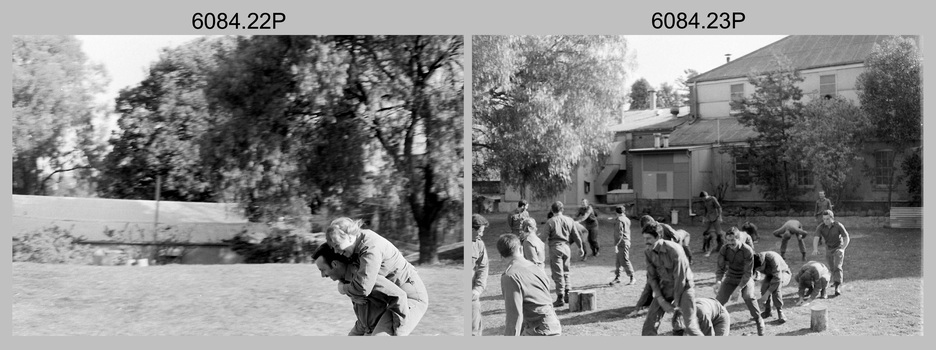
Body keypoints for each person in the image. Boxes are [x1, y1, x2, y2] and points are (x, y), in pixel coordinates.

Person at [325, 217, 429, 337]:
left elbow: (362, 288)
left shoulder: (370, 248)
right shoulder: (356, 245)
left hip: (409, 299)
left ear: (349, 236)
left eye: (337, 245)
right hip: (392, 299)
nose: (336, 251)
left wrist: (343, 288)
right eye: (333, 248)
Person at [313, 245, 413, 336]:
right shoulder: (344, 277)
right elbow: (342, 287)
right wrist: (348, 292)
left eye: (322, 270)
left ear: (335, 264)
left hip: (378, 328)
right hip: (362, 327)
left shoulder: (363, 277)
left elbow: (399, 295)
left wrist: (398, 332)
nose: (323, 275)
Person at [640, 223, 703, 336]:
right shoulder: (648, 252)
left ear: (658, 237)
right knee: (649, 324)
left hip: (684, 288)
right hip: (665, 287)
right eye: (644, 238)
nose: (646, 242)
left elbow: (680, 278)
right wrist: (661, 300)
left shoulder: (674, 250)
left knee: (690, 326)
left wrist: (677, 304)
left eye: (649, 238)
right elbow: (652, 278)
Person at [498, 234, 562, 336]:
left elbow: (514, 316)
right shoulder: (536, 268)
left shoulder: (510, 276)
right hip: (553, 325)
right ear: (521, 249)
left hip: (538, 331)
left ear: (501, 256)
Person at [715, 227, 764, 336]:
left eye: (733, 240)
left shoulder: (747, 250)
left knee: (748, 296)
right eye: (728, 240)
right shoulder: (724, 249)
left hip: (745, 278)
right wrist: (718, 281)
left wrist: (738, 289)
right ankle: (717, 324)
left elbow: (747, 273)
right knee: (718, 302)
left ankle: (758, 320)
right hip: (731, 277)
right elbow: (720, 267)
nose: (730, 243)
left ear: (738, 239)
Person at [545, 201, 586, 308]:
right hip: (566, 248)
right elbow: (576, 235)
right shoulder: (569, 220)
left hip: (555, 248)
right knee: (566, 271)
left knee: (558, 273)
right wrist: (580, 247)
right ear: (562, 209)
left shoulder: (550, 221)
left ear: (552, 210)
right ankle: (568, 293)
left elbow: (543, 237)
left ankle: (560, 297)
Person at [812, 210, 850, 296]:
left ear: (832, 218)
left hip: (838, 248)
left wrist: (843, 249)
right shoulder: (821, 227)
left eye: (828, 219)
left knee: (837, 267)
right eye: (824, 219)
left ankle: (837, 286)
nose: (825, 221)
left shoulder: (838, 225)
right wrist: (815, 249)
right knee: (832, 267)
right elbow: (816, 237)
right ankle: (835, 280)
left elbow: (846, 237)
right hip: (829, 249)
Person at [753, 251, 792, 323]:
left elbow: (777, 279)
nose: (759, 270)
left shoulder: (772, 259)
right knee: (764, 288)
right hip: (770, 275)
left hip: (783, 273)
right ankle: (768, 311)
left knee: (775, 289)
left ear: (764, 263)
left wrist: (766, 295)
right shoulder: (754, 259)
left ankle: (780, 312)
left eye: (760, 268)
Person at [470, 214, 489, 336]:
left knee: (475, 329)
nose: (481, 234)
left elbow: (483, 266)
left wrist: (478, 289)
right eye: (480, 231)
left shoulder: (479, 244)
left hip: (471, 293)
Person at [609, 205, 635, 285]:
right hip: (626, 241)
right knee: (618, 261)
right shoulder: (626, 219)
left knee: (624, 260)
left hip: (621, 242)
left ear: (616, 212)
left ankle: (632, 277)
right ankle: (617, 277)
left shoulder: (619, 220)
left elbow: (619, 234)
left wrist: (616, 244)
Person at [700, 191, 724, 257]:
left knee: (719, 233)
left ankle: (720, 247)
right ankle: (704, 247)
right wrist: (704, 218)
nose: (703, 200)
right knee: (706, 232)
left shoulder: (713, 199)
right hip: (709, 218)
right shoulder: (705, 201)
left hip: (715, 217)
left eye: (703, 198)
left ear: (705, 196)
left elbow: (719, 207)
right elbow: (706, 210)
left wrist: (720, 216)